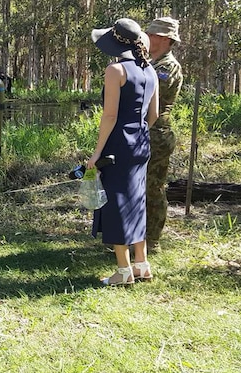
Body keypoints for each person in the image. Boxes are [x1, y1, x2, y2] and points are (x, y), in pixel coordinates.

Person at [88, 18, 159, 286]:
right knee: (136, 202)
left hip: (118, 144)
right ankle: (141, 264)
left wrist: (97, 153)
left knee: (117, 203)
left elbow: (109, 115)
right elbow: (153, 115)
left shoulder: (115, 70)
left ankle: (123, 270)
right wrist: (137, 134)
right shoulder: (150, 71)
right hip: (141, 143)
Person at [144, 17, 183, 253]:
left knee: (153, 187)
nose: (149, 38)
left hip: (157, 133)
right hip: (144, 131)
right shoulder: (151, 62)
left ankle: (152, 240)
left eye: (154, 35)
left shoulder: (167, 67)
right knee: (139, 187)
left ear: (166, 39)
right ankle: (136, 237)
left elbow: (149, 96)